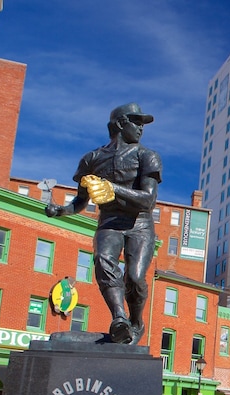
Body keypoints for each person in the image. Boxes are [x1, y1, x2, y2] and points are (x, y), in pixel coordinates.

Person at [45, 103, 161, 345]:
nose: (140, 128)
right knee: (103, 260)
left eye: (142, 124)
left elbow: (148, 200)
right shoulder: (92, 159)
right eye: (135, 122)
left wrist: (112, 188)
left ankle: (135, 321)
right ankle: (119, 318)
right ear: (120, 123)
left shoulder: (146, 156)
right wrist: (62, 210)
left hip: (140, 224)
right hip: (109, 222)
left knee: (135, 277)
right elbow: (80, 201)